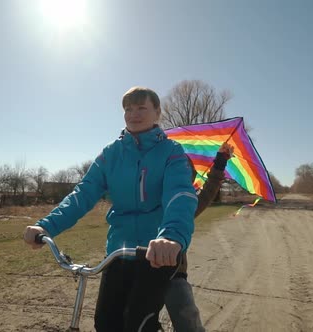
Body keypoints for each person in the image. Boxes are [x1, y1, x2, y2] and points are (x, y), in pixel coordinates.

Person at [23, 86, 198, 332]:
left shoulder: (172, 152)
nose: (133, 114)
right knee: (105, 323)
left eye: (141, 108)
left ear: (157, 112)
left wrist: (170, 237)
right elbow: (82, 194)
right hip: (117, 252)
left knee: (138, 323)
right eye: (128, 109)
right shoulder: (110, 154)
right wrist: (46, 226)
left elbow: (180, 195)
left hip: (155, 255)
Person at [164, 142, 232, 332]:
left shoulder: (187, 204)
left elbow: (209, 190)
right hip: (138, 269)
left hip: (173, 273)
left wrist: (219, 162)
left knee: (187, 320)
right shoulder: (146, 196)